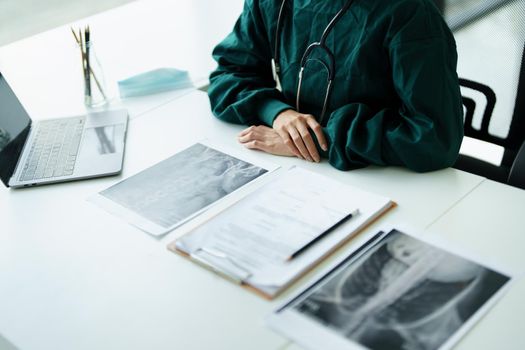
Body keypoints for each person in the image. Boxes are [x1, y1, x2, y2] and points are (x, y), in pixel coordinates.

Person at [207, 0, 464, 172]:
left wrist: (320, 141)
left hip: (376, 176)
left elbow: (435, 139)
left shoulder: (409, 14)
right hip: (292, 169)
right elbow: (230, 73)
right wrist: (277, 112)